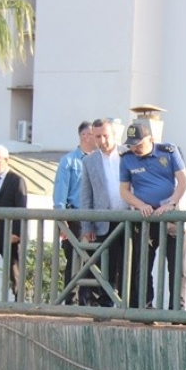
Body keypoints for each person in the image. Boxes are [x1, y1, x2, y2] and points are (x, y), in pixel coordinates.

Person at [119, 123, 186, 310]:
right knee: (142, 265)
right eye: (131, 144)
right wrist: (140, 205)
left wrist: (171, 204)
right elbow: (124, 191)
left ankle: (177, 310)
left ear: (151, 139)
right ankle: (145, 306)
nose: (135, 148)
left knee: (177, 266)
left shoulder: (169, 151)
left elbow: (183, 181)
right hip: (146, 218)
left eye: (139, 144)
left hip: (170, 215)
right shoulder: (126, 159)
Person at [80, 118, 128, 307]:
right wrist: (87, 224)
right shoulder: (89, 161)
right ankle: (107, 304)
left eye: (105, 136)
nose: (102, 140)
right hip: (103, 221)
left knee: (130, 263)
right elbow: (86, 196)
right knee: (106, 265)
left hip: (129, 218)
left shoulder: (128, 155)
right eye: (98, 136)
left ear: (114, 134)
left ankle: (130, 305)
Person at [53, 120, 94, 304]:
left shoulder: (98, 160)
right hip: (75, 216)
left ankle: (88, 300)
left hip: (95, 216)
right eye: (94, 134)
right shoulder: (69, 161)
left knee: (93, 261)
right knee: (74, 260)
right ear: (84, 136)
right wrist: (63, 222)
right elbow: (60, 194)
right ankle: (71, 299)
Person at [0, 145, 27, 298]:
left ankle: (19, 303)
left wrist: (17, 233)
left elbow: (21, 208)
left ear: (6, 160)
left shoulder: (17, 180)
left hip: (9, 233)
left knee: (14, 271)